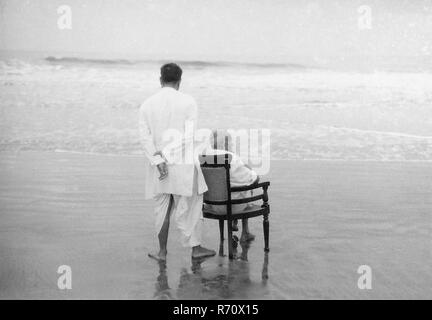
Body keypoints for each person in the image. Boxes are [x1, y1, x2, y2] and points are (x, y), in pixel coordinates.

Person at [139, 63, 216, 261]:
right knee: (190, 207)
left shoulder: (147, 104)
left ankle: (162, 252)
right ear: (179, 82)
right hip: (183, 164)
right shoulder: (188, 102)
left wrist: (158, 159)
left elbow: (144, 138)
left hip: (160, 167)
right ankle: (196, 249)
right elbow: (189, 136)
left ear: (160, 80)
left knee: (162, 208)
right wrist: (167, 153)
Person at [204, 130, 258, 243]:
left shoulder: (204, 157)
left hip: (212, 206)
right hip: (231, 206)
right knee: (246, 187)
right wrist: (252, 172)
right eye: (231, 142)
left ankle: (231, 230)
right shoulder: (231, 157)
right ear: (225, 144)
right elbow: (253, 179)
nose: (232, 144)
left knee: (229, 186)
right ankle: (245, 232)